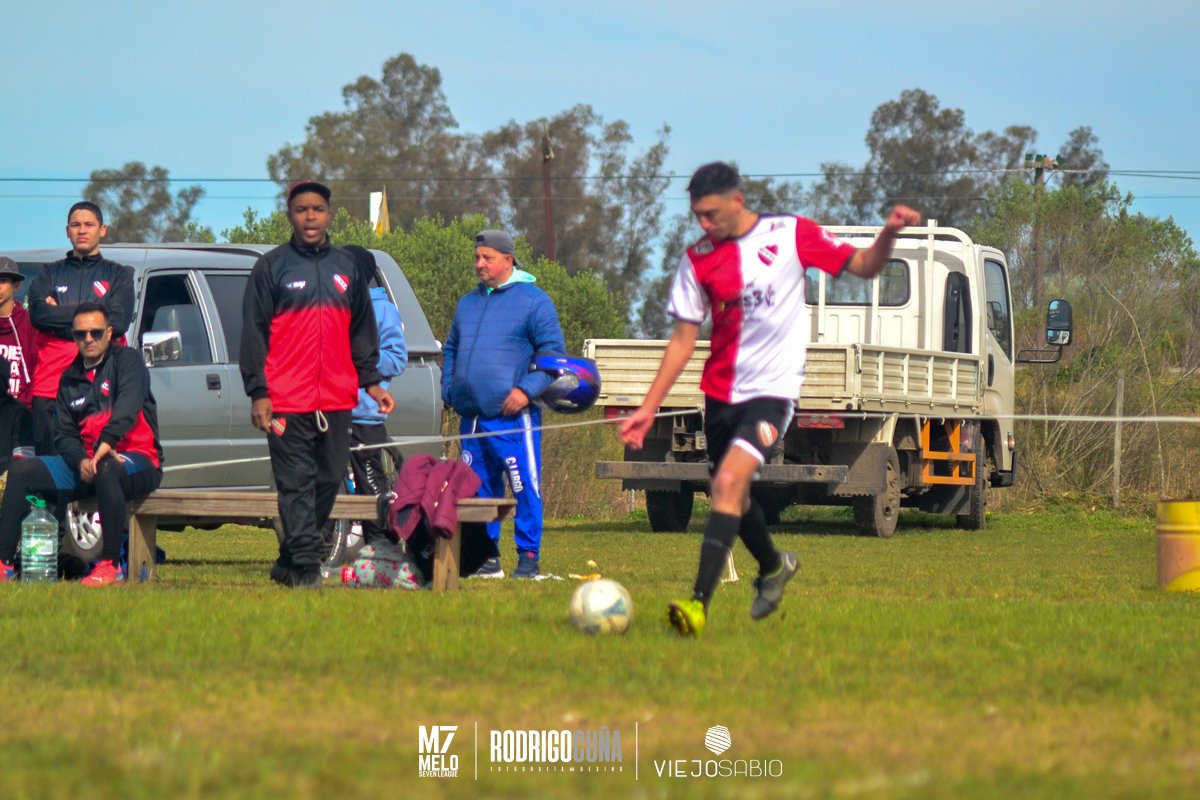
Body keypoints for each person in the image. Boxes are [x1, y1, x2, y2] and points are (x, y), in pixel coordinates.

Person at [619, 162, 921, 636]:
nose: (703, 223)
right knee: (732, 497)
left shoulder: (791, 234)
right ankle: (775, 566)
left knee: (727, 484)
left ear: (737, 201)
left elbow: (864, 265)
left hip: (772, 394)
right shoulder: (697, 259)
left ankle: (698, 605)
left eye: (711, 213)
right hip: (719, 396)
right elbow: (682, 340)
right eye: (697, 215)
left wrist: (889, 233)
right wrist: (648, 407)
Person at [241, 180, 394, 589]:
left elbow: (362, 331)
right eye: (301, 209)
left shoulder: (346, 268)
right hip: (285, 400)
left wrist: (372, 383)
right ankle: (307, 569)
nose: (310, 216)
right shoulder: (271, 267)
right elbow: (254, 333)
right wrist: (258, 392)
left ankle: (289, 560)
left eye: (318, 209)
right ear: (290, 216)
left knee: (328, 479)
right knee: (295, 483)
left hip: (337, 398)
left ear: (329, 215)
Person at [0, 302, 163, 586]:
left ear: (109, 333)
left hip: (136, 459)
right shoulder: (69, 377)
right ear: (73, 336)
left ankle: (111, 565)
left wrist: (106, 443)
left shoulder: (128, 361)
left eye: (96, 332)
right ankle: (4, 564)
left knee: (108, 467)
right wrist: (80, 461)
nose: (88, 339)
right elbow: (64, 434)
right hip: (88, 465)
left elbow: (128, 406)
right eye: (81, 334)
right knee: (22, 470)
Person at [441, 229, 566, 579]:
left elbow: (553, 356)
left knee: (524, 486)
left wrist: (526, 391)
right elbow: (451, 349)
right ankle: (486, 558)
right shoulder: (468, 303)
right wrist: (449, 389)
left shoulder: (534, 301)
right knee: (478, 491)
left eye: (488, 258)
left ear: (508, 260)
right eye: (477, 257)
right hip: (472, 418)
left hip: (514, 418)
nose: (479, 264)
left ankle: (528, 558)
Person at [28, 202, 134, 455]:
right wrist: (96, 316)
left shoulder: (119, 275)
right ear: (67, 231)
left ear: (102, 230)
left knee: (98, 466)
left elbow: (118, 323)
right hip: (51, 387)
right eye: (76, 225)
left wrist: (61, 315)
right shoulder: (49, 273)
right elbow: (39, 315)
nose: (82, 230)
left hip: (101, 388)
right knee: (50, 467)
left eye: (89, 225)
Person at [343, 245, 408, 545]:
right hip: (330, 412)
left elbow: (396, 358)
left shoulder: (382, 309)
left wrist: (358, 358)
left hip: (365, 413)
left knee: (371, 485)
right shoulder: (332, 307)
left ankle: (381, 548)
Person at [0, 257, 37, 409]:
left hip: (20, 412)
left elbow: (38, 371)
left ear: (16, 286)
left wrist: (26, 406)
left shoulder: (30, 324)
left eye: (2, 281)